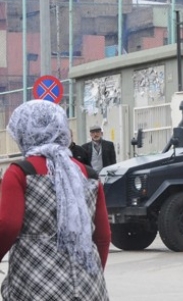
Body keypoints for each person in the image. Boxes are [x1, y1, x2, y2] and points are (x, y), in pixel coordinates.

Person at [0, 99, 110, 300]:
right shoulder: (89, 175)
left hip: (35, 284)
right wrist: (91, 275)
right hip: (88, 287)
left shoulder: (19, 173)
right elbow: (102, 236)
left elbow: (7, 226)